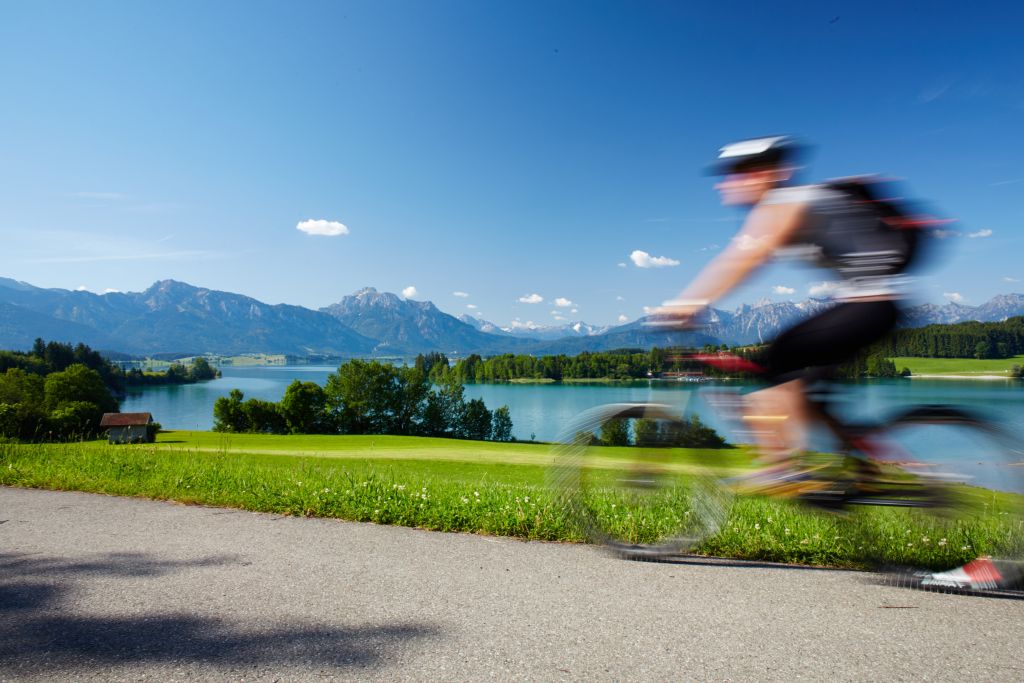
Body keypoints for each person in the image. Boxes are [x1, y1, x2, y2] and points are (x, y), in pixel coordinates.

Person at [657, 135, 908, 496]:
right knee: (808, 392)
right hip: (872, 305)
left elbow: (744, 258)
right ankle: (866, 465)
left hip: (870, 303)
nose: (726, 183)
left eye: (736, 173)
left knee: (780, 357)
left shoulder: (782, 203)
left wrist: (688, 303)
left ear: (763, 173)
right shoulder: (789, 204)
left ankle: (781, 468)